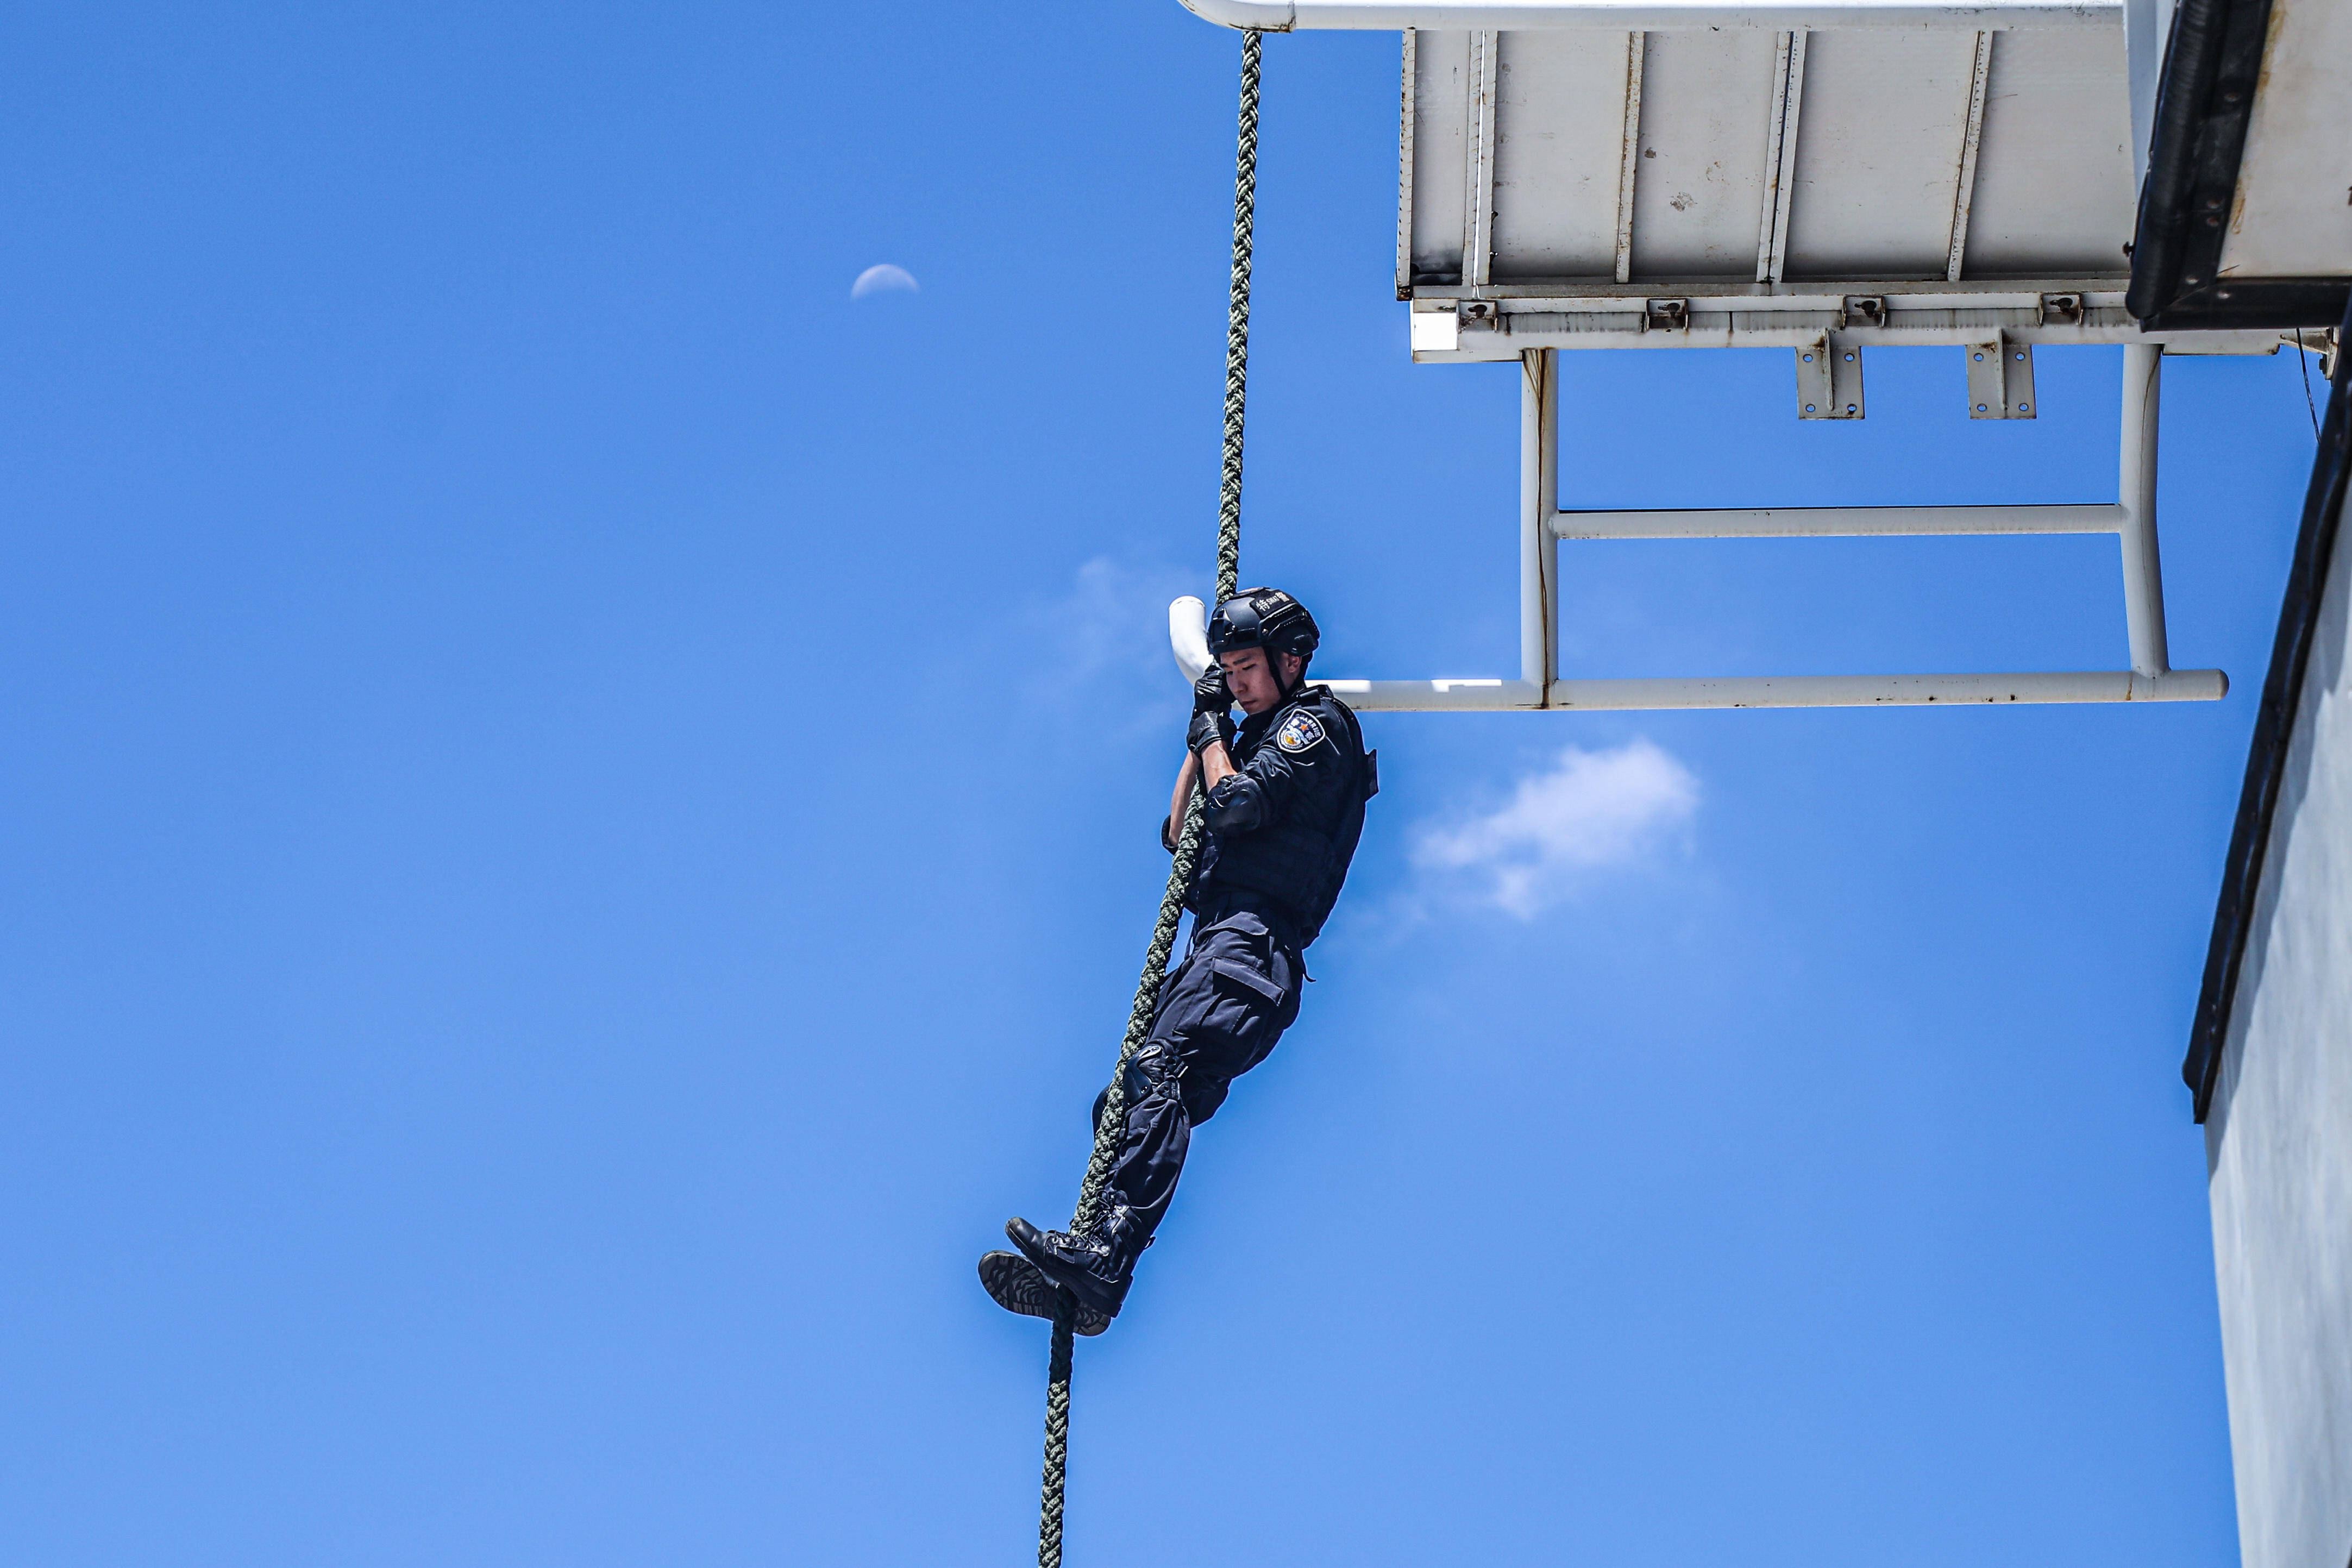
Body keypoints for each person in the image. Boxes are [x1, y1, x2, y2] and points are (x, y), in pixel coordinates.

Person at [980, 588, 1376, 1333]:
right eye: (1227, 669)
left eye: (1249, 667)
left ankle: (1106, 1257)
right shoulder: (1244, 732)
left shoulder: (1311, 726)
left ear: (1290, 662)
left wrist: (1214, 738)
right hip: (1215, 945)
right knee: (1123, 1102)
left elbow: (1234, 808)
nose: (1238, 682)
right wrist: (1202, 729)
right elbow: (1180, 831)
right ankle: (1092, 1272)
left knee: (1156, 1074)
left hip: (1252, 949)